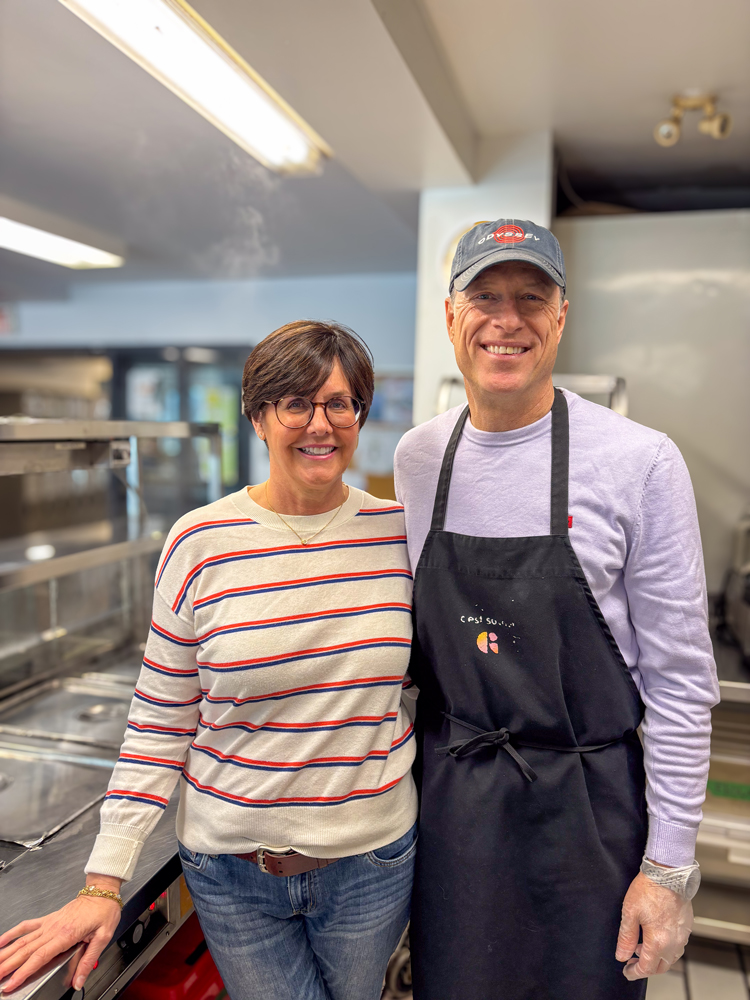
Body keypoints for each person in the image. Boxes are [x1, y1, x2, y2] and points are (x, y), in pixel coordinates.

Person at [0, 321, 418, 1000]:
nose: (321, 423)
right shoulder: (199, 541)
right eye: (296, 403)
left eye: (340, 403)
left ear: (360, 415)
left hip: (371, 861)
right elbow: (160, 722)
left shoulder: (397, 535)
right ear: (258, 416)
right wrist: (102, 882)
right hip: (232, 873)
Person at [394, 219, 719, 1000]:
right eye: (485, 297)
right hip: (455, 811)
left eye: (531, 299)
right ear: (450, 317)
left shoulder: (641, 461)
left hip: (591, 819)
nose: (507, 320)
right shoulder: (417, 459)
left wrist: (669, 870)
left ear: (562, 316)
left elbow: (680, 682)